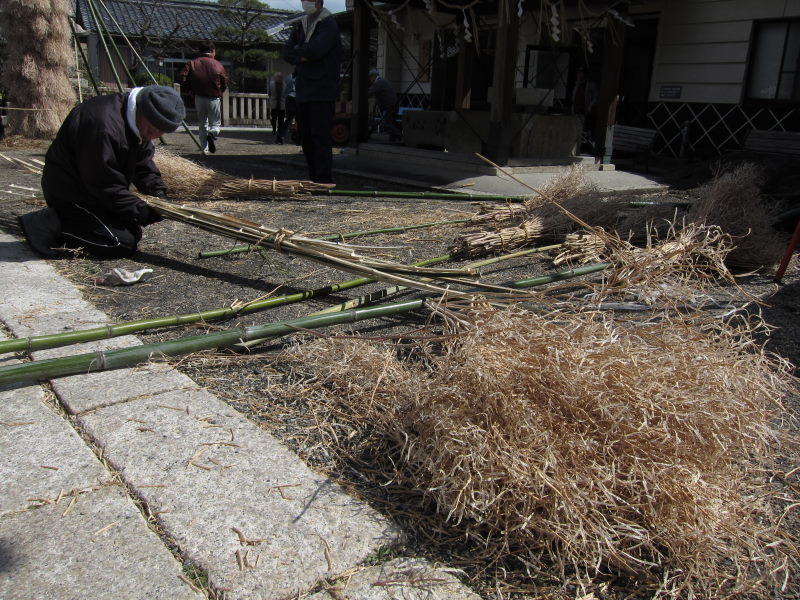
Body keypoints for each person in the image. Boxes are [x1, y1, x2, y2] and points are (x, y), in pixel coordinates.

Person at [18, 85, 185, 259]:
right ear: (141, 110)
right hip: (72, 192)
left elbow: (142, 162)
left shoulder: (136, 122)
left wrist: (157, 191)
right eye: (151, 129)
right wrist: (140, 210)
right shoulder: (102, 126)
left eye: (161, 132)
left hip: (94, 191)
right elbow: (103, 182)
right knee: (118, 243)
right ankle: (50, 223)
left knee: (133, 232)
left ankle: (72, 222)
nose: (153, 136)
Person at [282, 0, 342, 184]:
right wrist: (303, 55)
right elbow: (286, 52)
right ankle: (312, 175)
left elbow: (317, 50)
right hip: (303, 88)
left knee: (320, 135)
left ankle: (323, 177)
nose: (303, 3)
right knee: (305, 136)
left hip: (323, 88)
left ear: (318, 1)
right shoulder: (302, 24)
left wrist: (300, 53)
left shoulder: (328, 23)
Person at [179, 42, 228, 155]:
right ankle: (212, 133)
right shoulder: (217, 64)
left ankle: (204, 149)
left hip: (199, 97)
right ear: (212, 51)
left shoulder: (192, 63)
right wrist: (220, 91)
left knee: (202, 123)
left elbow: (183, 77)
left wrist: (190, 90)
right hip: (213, 97)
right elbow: (224, 80)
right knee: (215, 123)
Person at [367, 68, 401, 142]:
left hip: (390, 106)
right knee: (391, 122)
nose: (370, 79)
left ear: (373, 76)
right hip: (394, 104)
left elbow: (369, 92)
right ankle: (393, 139)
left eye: (370, 77)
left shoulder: (378, 83)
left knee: (387, 124)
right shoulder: (382, 81)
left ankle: (399, 136)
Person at [571, 66, 598, 154]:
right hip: (576, 111)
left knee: (585, 131)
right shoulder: (577, 84)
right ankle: (575, 148)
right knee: (576, 130)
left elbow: (595, 97)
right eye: (578, 73)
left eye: (580, 73)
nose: (578, 75)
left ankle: (588, 148)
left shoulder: (590, 84)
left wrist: (590, 107)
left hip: (585, 111)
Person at [277, 70, 297, 145]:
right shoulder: (300, 77)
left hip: (288, 99)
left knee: (289, 119)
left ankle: (280, 135)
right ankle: (299, 137)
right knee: (300, 119)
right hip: (296, 98)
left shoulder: (288, 77)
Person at [269, 72, 286, 144]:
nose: (280, 78)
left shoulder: (285, 85)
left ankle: (279, 132)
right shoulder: (272, 84)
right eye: (278, 77)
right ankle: (273, 128)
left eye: (281, 77)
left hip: (282, 104)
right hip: (274, 104)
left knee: (281, 120)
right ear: (276, 78)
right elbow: (269, 93)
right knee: (273, 118)